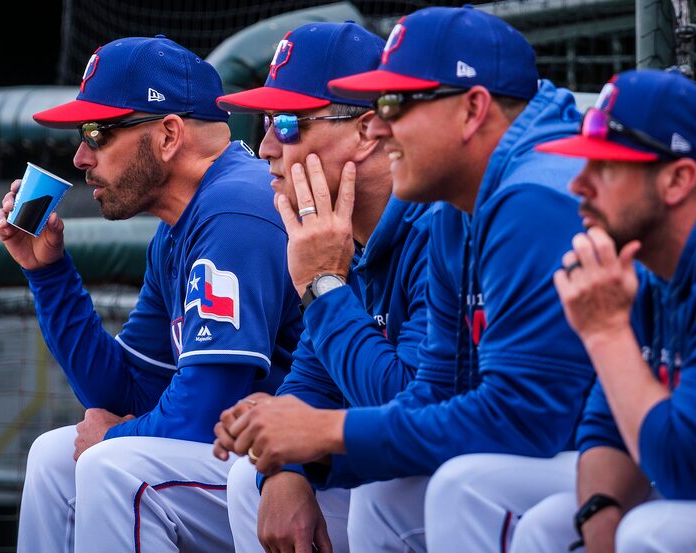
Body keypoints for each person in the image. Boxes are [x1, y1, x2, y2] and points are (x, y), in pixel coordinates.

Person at [225, 7, 595, 552]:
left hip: (664, 458)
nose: (379, 123)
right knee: (276, 482)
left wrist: (325, 429)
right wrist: (295, 455)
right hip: (573, 451)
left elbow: (525, 420)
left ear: (472, 109)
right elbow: (429, 396)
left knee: (453, 489)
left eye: (395, 104)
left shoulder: (533, 198)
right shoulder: (452, 207)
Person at [0, 36, 302, 553]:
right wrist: (49, 275)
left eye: (98, 132)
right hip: (241, 460)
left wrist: (112, 439)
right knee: (54, 454)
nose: (81, 156)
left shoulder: (233, 209)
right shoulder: (180, 226)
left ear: (168, 134)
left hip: (294, 475)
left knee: (116, 467)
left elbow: (207, 412)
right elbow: (125, 391)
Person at [510, 69, 696, 552]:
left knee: (653, 534)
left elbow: (689, 471)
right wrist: (600, 518)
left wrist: (604, 331)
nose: (578, 184)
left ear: (678, 179)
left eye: (606, 167)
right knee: (550, 525)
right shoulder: (651, 262)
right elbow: (605, 428)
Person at [211, 21, 432, 552]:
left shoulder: (432, 224)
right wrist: (284, 467)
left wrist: (323, 285)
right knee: (252, 476)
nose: (265, 147)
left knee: (385, 494)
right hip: (411, 465)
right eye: (264, 121)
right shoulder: (340, 230)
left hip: (498, 473)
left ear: (365, 129)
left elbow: (408, 407)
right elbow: (311, 381)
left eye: (287, 124)